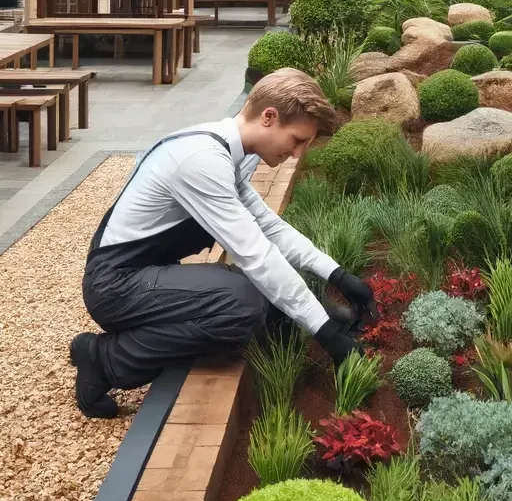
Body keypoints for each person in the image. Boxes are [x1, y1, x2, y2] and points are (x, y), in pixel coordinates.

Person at [69, 69, 376, 418]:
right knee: (242, 304)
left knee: (261, 291)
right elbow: (256, 255)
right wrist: (324, 332)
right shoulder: (201, 162)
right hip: (115, 286)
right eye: (296, 139)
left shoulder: (225, 151)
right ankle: (104, 360)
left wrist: (338, 275)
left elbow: (269, 228)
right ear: (269, 117)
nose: (295, 154)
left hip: (145, 273)